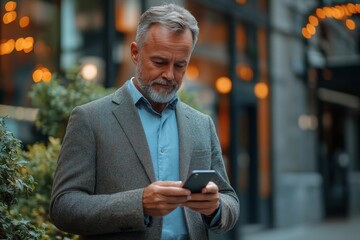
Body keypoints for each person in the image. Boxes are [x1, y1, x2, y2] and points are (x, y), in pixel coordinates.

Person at [50, 3, 239, 240]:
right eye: (159, 62)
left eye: (180, 65)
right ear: (135, 53)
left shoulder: (201, 124)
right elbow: (63, 207)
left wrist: (217, 207)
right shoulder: (90, 119)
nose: (170, 75)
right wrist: (138, 203)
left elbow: (230, 200)